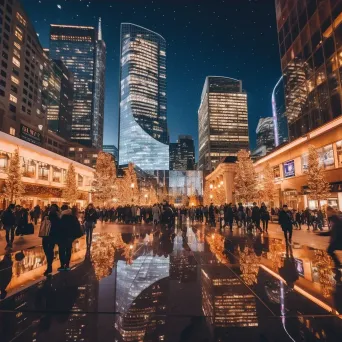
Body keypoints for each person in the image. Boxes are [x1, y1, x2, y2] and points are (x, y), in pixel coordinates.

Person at [58, 205, 82, 271]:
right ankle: (67, 265)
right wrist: (74, 236)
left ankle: (62, 265)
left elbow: (59, 227)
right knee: (68, 250)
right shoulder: (73, 217)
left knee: (62, 251)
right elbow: (77, 227)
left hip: (62, 237)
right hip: (70, 237)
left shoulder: (61, 217)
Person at [41, 204, 60, 276]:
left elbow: (58, 225)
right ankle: (49, 263)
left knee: (49, 250)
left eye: (53, 208)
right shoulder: (47, 215)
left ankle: (49, 265)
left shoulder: (57, 216)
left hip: (51, 235)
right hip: (46, 234)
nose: (52, 209)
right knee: (47, 249)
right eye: (51, 208)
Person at [327, 214, 342, 283]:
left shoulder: (336, 225)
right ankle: (337, 263)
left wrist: (332, 241)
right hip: (337, 242)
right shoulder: (337, 224)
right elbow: (330, 233)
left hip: (337, 242)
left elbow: (334, 234)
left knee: (329, 250)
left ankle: (337, 263)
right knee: (329, 250)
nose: (330, 223)